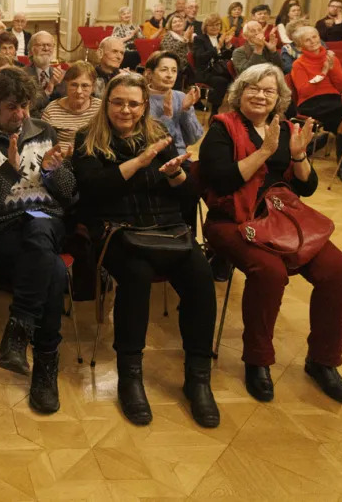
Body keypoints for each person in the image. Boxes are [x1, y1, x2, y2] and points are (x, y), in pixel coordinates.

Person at [198, 64, 342, 405]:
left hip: (281, 217)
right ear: (240, 92)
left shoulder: (285, 128)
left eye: (269, 91)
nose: (260, 95)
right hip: (232, 219)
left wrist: (298, 155)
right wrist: (264, 152)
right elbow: (221, 181)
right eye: (253, 88)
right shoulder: (222, 128)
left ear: (278, 98)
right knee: (270, 272)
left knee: (337, 271)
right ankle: (258, 360)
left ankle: (323, 360)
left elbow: (307, 187)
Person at [69, 72, 218, 428]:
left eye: (134, 104)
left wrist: (176, 175)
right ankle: (130, 377)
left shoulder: (158, 134)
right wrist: (138, 162)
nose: (126, 110)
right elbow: (92, 189)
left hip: (166, 230)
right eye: (118, 102)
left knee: (201, 275)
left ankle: (198, 378)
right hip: (118, 230)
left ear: (144, 105)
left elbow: (188, 198)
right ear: (106, 104)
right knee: (136, 276)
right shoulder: (87, 138)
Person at [0, 67, 77, 414]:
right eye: (11, 106)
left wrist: (52, 172)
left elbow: (69, 195)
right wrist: (8, 171)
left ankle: (20, 333)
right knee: (53, 270)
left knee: (39, 230)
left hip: (44, 221)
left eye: (24, 106)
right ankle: (44, 364)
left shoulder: (45, 131)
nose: (20, 114)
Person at [289, 26, 342, 182]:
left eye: (314, 37)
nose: (313, 41)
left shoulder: (331, 58)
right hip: (310, 103)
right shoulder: (299, 64)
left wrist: (332, 68)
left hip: (333, 101)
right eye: (307, 40)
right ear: (300, 45)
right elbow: (304, 91)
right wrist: (323, 73)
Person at [143, 51, 203, 156]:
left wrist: (186, 110)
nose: (170, 75)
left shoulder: (181, 97)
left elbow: (193, 139)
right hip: (154, 158)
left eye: (174, 71)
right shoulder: (141, 99)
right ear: (149, 73)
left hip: (181, 156)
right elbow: (153, 142)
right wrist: (166, 117)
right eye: (164, 70)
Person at [42, 61, 101, 147]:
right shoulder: (51, 110)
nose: (79, 91)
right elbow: (42, 144)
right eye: (74, 85)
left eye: (85, 86)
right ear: (66, 85)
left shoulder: (100, 108)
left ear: (93, 87)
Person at [24, 31, 65, 117]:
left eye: (49, 45)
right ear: (32, 49)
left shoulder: (61, 74)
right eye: (41, 45)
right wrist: (48, 91)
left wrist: (58, 85)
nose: (46, 48)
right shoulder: (22, 75)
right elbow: (25, 107)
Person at [160, 14, 194, 88]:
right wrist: (184, 39)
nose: (178, 23)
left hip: (185, 65)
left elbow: (191, 51)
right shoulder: (168, 36)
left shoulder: (185, 35)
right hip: (172, 64)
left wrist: (190, 40)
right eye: (174, 22)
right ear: (171, 25)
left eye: (180, 21)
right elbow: (170, 51)